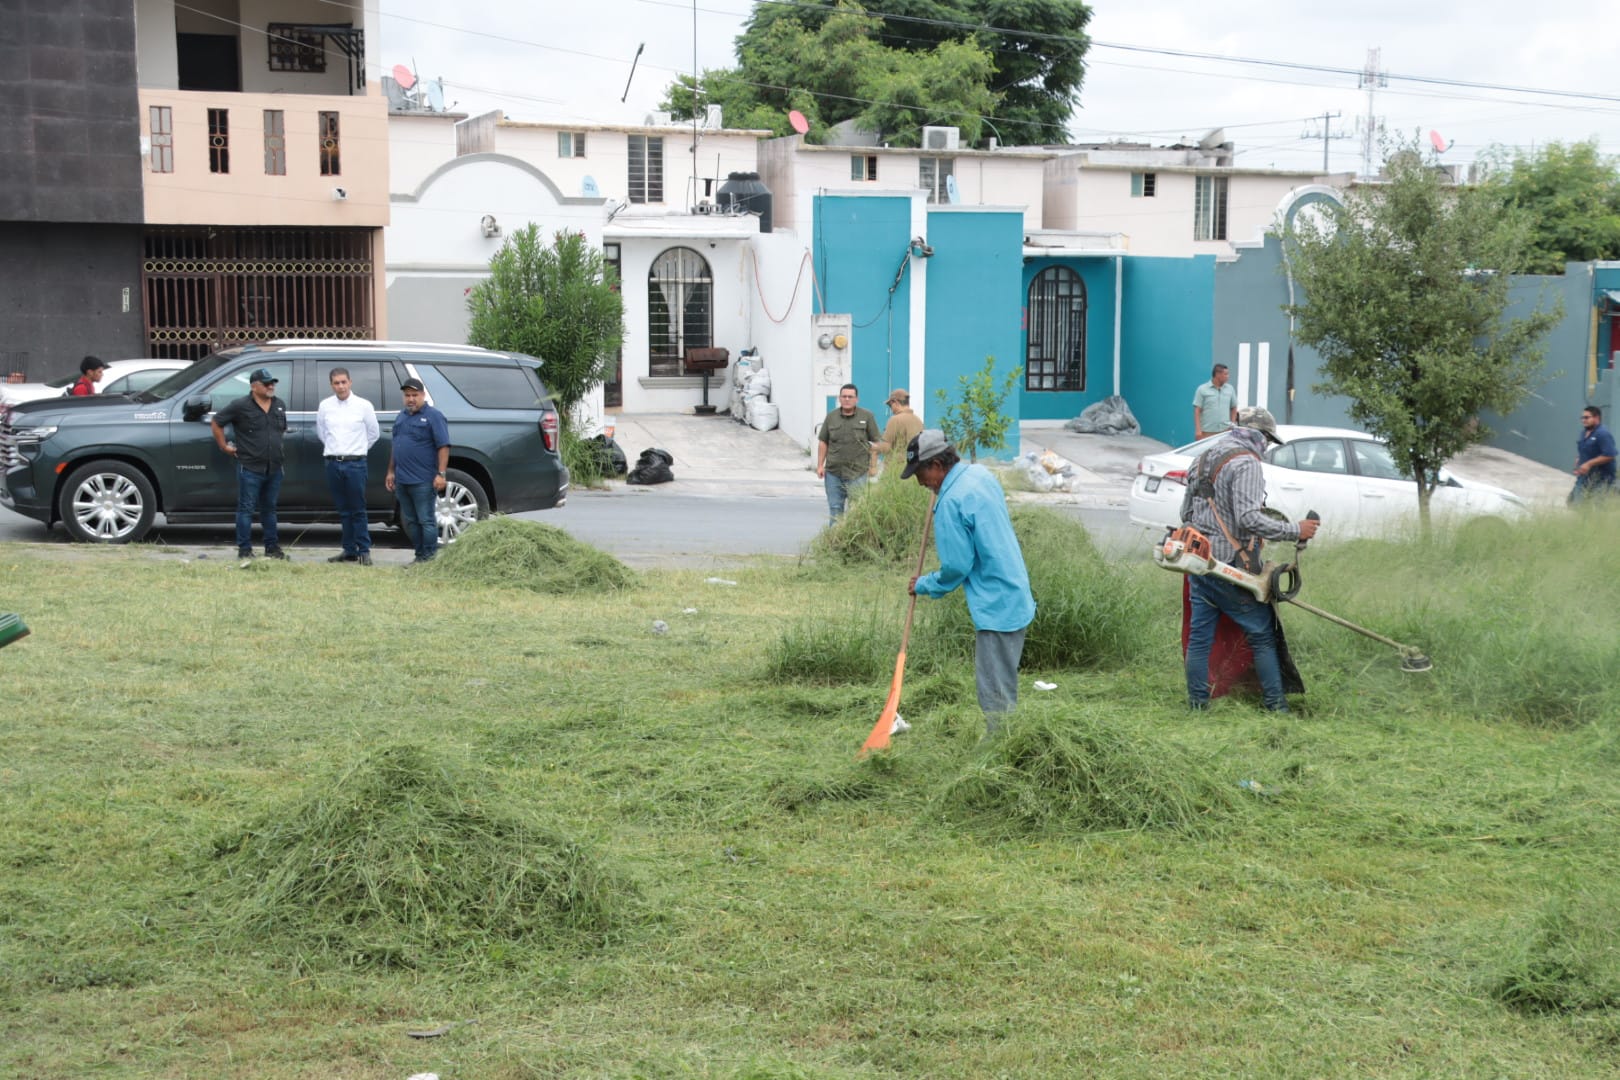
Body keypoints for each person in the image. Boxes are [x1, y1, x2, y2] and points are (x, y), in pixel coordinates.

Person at [1181, 406, 1320, 712]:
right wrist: (1295, 529)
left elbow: (1185, 514)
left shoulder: (1202, 459)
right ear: (1259, 436)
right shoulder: (1246, 463)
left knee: (1200, 638)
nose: (1267, 447)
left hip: (1198, 560)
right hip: (1231, 566)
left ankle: (1197, 706)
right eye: (1268, 440)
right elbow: (1248, 519)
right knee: (1261, 633)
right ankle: (1276, 706)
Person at [903, 429, 1036, 733]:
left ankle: (1000, 755)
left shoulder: (950, 502)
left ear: (937, 464)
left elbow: (956, 567)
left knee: (994, 691)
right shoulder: (979, 474)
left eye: (920, 473)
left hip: (996, 604)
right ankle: (1005, 741)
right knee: (1003, 680)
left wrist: (924, 584)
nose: (920, 482)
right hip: (1015, 589)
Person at [211, 367, 289, 560]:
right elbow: (216, 422)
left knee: (269, 509)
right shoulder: (240, 405)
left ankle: (272, 548)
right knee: (246, 509)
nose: (271, 386)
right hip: (251, 467)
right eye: (266, 383)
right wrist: (224, 446)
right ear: (254, 387)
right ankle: (244, 550)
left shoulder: (279, 404)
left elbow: (282, 431)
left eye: (273, 383)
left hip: (274, 467)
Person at [316, 367, 381, 565]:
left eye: (344, 382)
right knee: (343, 510)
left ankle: (364, 550)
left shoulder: (363, 405)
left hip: (355, 464)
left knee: (358, 509)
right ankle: (349, 550)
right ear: (331, 385)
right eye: (336, 383)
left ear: (350, 382)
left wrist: (357, 450)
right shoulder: (325, 406)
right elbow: (322, 433)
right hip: (333, 463)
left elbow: (373, 434)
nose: (341, 386)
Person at [386, 376, 450, 563]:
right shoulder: (401, 416)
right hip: (402, 479)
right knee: (411, 521)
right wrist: (391, 471)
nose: (411, 399)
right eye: (407, 395)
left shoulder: (434, 416)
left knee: (426, 520)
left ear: (423, 395)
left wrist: (441, 474)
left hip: (423, 480)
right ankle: (419, 555)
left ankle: (429, 558)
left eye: (415, 395)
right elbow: (396, 445)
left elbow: (444, 446)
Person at [815, 383, 880, 523]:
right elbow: (823, 442)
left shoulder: (867, 416)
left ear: (857, 399)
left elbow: (875, 443)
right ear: (839, 398)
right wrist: (820, 465)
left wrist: (873, 466)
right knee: (835, 509)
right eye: (844, 396)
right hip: (834, 473)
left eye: (850, 396)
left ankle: (853, 542)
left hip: (858, 472)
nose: (847, 399)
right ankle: (834, 543)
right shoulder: (831, 417)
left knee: (857, 510)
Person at [1570, 405, 1616, 503]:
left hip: (1601, 480)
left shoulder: (1603, 434)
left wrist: (1588, 464)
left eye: (1586, 417)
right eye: (1582, 418)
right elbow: (1586, 449)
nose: (1583, 420)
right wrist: (1579, 459)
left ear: (1596, 418)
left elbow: (1610, 455)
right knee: (1574, 504)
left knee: (1594, 509)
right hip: (1584, 477)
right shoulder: (1584, 432)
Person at [874, 388, 924, 472]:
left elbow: (887, 447)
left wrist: (874, 448)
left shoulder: (895, 420)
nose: (891, 408)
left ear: (895, 402)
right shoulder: (918, 420)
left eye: (890, 405)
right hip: (914, 467)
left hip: (897, 468)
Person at [1191, 363, 1238, 441]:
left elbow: (1234, 407)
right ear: (1217, 374)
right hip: (1207, 433)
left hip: (1225, 432)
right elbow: (1197, 411)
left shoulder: (1230, 389)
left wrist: (1232, 424)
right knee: (1206, 453)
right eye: (1225, 374)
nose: (1228, 376)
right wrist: (1198, 431)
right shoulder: (1202, 389)